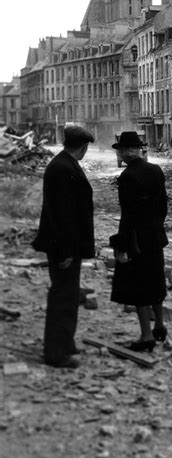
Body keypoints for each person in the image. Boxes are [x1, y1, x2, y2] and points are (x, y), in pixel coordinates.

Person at [32, 125, 95, 369]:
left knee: (68, 296)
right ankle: (57, 354)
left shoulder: (63, 164)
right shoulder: (62, 168)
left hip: (68, 246)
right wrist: (65, 251)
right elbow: (61, 215)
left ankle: (65, 343)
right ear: (84, 147)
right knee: (62, 298)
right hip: (64, 248)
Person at [110, 131, 168, 352]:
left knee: (139, 287)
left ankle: (146, 336)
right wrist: (156, 226)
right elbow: (163, 206)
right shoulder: (156, 170)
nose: (120, 155)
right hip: (155, 236)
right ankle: (160, 325)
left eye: (120, 151)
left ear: (125, 152)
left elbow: (128, 215)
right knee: (156, 281)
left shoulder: (127, 177)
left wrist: (121, 245)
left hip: (137, 239)